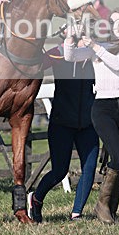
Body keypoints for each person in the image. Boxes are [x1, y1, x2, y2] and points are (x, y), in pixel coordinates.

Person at [64, 8, 119, 224]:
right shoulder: (99, 48)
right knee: (117, 155)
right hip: (102, 107)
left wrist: (94, 45)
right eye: (113, 23)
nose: (116, 27)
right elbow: (70, 56)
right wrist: (71, 37)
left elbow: (118, 64)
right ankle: (102, 206)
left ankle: (109, 209)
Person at [28, 34, 98, 223]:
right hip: (62, 122)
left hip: (88, 122)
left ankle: (77, 213)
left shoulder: (95, 53)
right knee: (59, 171)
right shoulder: (58, 53)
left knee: (90, 168)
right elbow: (34, 65)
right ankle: (36, 199)